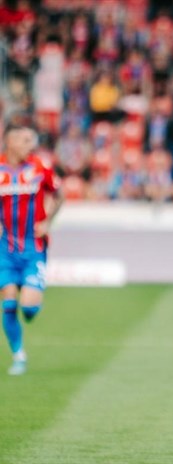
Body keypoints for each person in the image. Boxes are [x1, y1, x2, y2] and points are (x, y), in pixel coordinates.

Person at [1, 120, 63, 375]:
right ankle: (19, 356)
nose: (31, 145)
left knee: (28, 308)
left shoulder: (40, 168)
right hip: (5, 249)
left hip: (33, 247)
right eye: (25, 140)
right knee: (8, 301)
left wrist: (48, 222)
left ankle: (29, 305)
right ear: (11, 141)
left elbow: (59, 195)